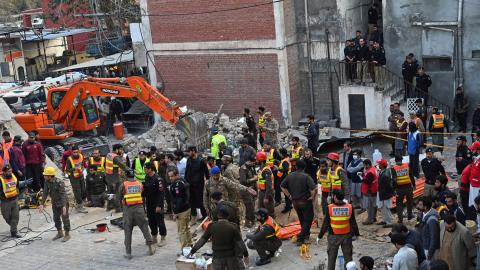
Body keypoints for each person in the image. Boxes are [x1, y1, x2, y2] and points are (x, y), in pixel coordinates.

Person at [117, 170, 155, 259]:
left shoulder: (123, 185)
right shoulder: (139, 184)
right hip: (139, 209)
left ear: (126, 176)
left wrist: (121, 207)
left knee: (127, 231)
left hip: (128, 210)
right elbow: (141, 194)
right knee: (145, 228)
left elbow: (118, 197)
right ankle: (150, 248)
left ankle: (128, 253)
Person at [318, 190, 360, 270]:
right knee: (348, 258)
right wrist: (357, 234)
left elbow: (325, 224)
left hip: (333, 237)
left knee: (331, 258)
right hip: (347, 236)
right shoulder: (349, 207)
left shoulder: (330, 207)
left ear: (335, 197)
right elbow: (353, 222)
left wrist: (319, 236)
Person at [281, 159, 317, 246]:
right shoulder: (306, 177)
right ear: (304, 167)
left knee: (302, 220)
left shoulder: (290, 176)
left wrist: (289, 196)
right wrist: (312, 197)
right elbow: (314, 188)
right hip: (305, 202)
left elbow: (282, 186)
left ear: (296, 166)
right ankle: (300, 237)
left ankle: (305, 237)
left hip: (295, 202)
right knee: (308, 220)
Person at [39, 167, 70, 242]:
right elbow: (45, 193)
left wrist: (64, 206)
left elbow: (62, 195)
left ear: (50, 176)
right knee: (56, 218)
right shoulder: (46, 182)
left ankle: (67, 234)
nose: (44, 176)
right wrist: (42, 204)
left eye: (45, 175)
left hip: (63, 202)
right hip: (55, 202)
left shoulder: (60, 182)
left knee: (65, 218)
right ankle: (60, 233)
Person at [167, 167, 192, 249]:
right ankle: (190, 244)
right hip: (187, 208)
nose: (170, 178)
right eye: (169, 176)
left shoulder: (177, 185)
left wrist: (176, 213)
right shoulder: (183, 181)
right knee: (186, 228)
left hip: (181, 211)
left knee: (181, 231)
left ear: (177, 175)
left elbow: (179, 200)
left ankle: (185, 249)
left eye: (172, 176)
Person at [143, 162, 167, 247]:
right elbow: (145, 191)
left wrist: (159, 205)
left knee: (160, 221)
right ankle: (154, 237)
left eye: (146, 168)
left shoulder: (158, 179)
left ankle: (163, 238)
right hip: (149, 204)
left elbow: (161, 194)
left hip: (157, 204)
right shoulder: (146, 177)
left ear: (150, 169)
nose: (144, 170)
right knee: (151, 221)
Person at [184, 146, 209, 222]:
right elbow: (187, 172)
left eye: (189, 151)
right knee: (191, 201)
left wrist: (207, 183)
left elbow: (206, 173)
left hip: (199, 185)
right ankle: (193, 217)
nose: (188, 153)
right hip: (190, 185)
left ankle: (205, 217)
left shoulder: (201, 161)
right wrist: (185, 182)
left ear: (193, 151)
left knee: (200, 201)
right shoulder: (189, 160)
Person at [105, 144, 131, 212]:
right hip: (115, 176)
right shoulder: (115, 157)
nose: (121, 151)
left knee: (110, 192)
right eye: (120, 149)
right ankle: (118, 208)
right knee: (118, 192)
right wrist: (130, 170)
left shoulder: (109, 154)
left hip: (108, 176)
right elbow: (123, 166)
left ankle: (109, 206)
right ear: (116, 150)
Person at [222, 155, 246, 223]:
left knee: (235, 205)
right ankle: (243, 218)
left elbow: (231, 182)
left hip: (233, 190)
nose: (222, 161)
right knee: (240, 203)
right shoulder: (235, 166)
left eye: (224, 160)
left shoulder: (227, 170)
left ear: (227, 161)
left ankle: (239, 220)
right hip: (239, 187)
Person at [65, 145, 88, 213]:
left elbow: (84, 164)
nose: (76, 154)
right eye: (74, 152)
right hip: (74, 177)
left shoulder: (81, 156)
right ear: (72, 152)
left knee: (83, 190)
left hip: (80, 175)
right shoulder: (69, 159)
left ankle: (81, 203)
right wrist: (74, 169)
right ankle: (79, 207)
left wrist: (84, 170)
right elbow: (67, 169)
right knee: (77, 192)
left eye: (77, 152)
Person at [0, 165, 21, 238]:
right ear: (4, 172)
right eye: (9, 171)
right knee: (7, 217)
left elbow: (17, 185)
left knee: (15, 216)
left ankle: (14, 232)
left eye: (11, 171)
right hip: (5, 202)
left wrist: (18, 192)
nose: (10, 173)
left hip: (14, 200)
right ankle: (13, 226)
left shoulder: (13, 176)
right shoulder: (1, 179)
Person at [392, 156, 414, 223]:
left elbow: (394, 180)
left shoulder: (394, 168)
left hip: (399, 189)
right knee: (409, 202)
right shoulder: (407, 165)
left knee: (399, 204)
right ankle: (409, 216)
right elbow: (411, 175)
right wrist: (414, 184)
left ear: (395, 161)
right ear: (402, 160)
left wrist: (394, 189)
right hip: (408, 187)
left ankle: (400, 219)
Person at [416, 197, 440, 261]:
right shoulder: (422, 214)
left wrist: (430, 253)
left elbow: (434, 237)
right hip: (425, 245)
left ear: (425, 207)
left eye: (420, 205)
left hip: (430, 249)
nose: (418, 206)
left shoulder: (432, 220)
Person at [239, 157, 258, 228]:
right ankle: (249, 222)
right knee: (249, 206)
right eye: (252, 162)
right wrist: (254, 179)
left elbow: (255, 175)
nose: (254, 164)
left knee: (251, 206)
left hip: (252, 189)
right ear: (248, 161)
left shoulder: (251, 167)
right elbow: (243, 181)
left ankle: (250, 221)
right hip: (246, 190)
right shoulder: (243, 169)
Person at [255, 152, 275, 216]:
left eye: (257, 160)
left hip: (266, 192)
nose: (256, 161)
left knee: (268, 209)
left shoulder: (266, 171)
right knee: (261, 208)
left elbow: (269, 185)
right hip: (262, 191)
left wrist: (266, 197)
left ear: (261, 160)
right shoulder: (263, 168)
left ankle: (271, 222)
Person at [359, 159, 378, 225]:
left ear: (368, 165)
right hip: (373, 190)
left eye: (365, 165)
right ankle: (373, 217)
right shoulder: (372, 169)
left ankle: (370, 219)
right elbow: (367, 175)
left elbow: (367, 181)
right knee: (374, 205)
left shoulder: (370, 172)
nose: (364, 167)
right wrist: (363, 174)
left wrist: (361, 177)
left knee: (369, 206)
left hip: (369, 191)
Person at [376, 159, 393, 227]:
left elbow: (388, 186)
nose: (378, 165)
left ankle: (389, 222)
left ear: (382, 166)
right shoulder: (383, 172)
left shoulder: (384, 175)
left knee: (386, 208)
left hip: (385, 194)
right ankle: (384, 220)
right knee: (382, 208)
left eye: (379, 164)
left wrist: (389, 194)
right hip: (382, 193)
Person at [277, 148, 292, 213]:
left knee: (286, 194)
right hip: (286, 178)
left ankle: (287, 208)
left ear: (282, 153)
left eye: (279, 153)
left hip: (285, 179)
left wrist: (278, 169)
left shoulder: (285, 161)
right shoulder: (285, 159)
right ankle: (290, 205)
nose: (279, 154)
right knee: (287, 193)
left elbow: (285, 169)